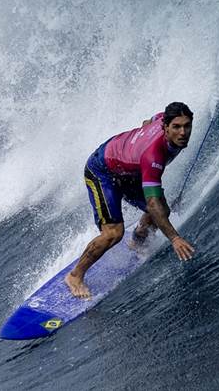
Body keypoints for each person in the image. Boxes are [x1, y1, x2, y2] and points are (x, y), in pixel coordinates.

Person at [64, 101, 197, 299]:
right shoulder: (153, 156)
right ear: (165, 128)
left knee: (163, 212)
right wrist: (175, 239)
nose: (183, 132)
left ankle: (137, 241)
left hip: (127, 170)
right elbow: (152, 204)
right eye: (176, 127)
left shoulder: (163, 117)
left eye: (187, 126)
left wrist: (133, 150)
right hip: (101, 170)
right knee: (113, 233)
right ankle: (75, 276)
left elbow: (147, 121)